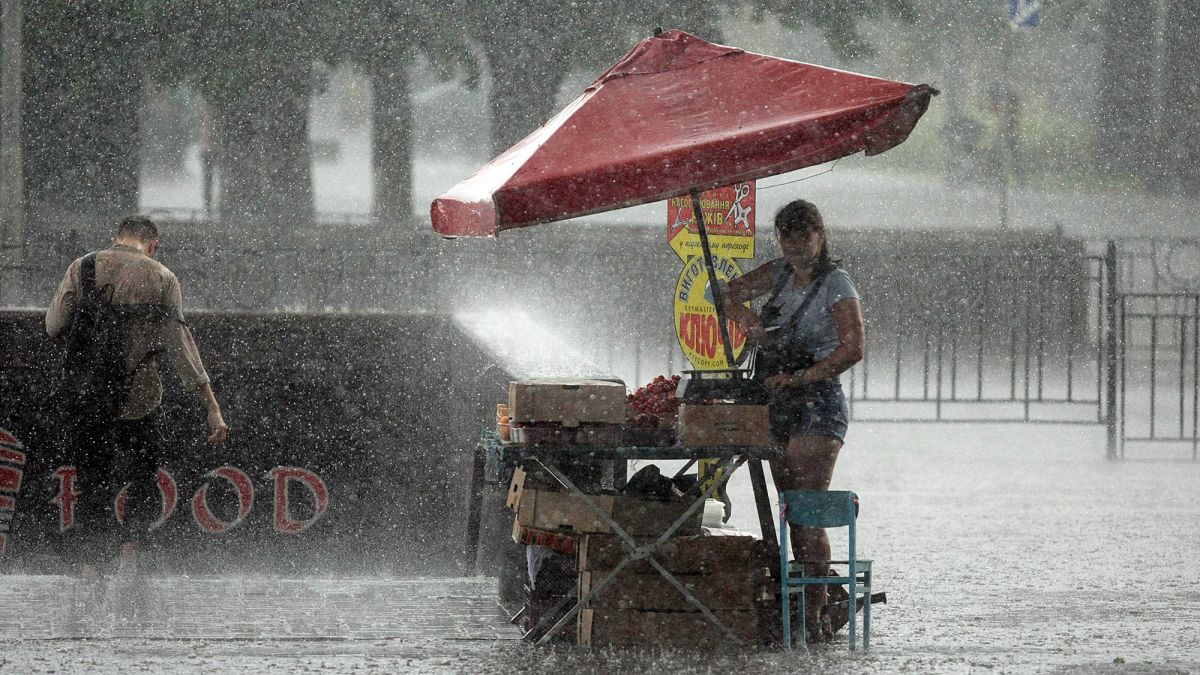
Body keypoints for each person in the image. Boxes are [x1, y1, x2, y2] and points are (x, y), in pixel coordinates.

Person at [46, 215, 229, 578]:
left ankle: (91, 567)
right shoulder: (162, 277)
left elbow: (53, 326)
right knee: (144, 476)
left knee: (93, 481)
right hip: (140, 396)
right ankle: (131, 552)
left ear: (116, 238)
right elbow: (181, 348)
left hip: (90, 395)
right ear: (152, 244)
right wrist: (212, 406)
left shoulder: (82, 267)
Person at [720, 200, 865, 643]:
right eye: (786, 237)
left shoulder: (837, 284)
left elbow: (853, 347)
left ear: (820, 236)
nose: (795, 246)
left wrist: (803, 377)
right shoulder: (778, 274)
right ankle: (799, 598)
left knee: (805, 510)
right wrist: (749, 323)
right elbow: (723, 294)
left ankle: (814, 614)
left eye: (803, 236)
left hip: (817, 405)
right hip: (778, 402)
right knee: (787, 509)